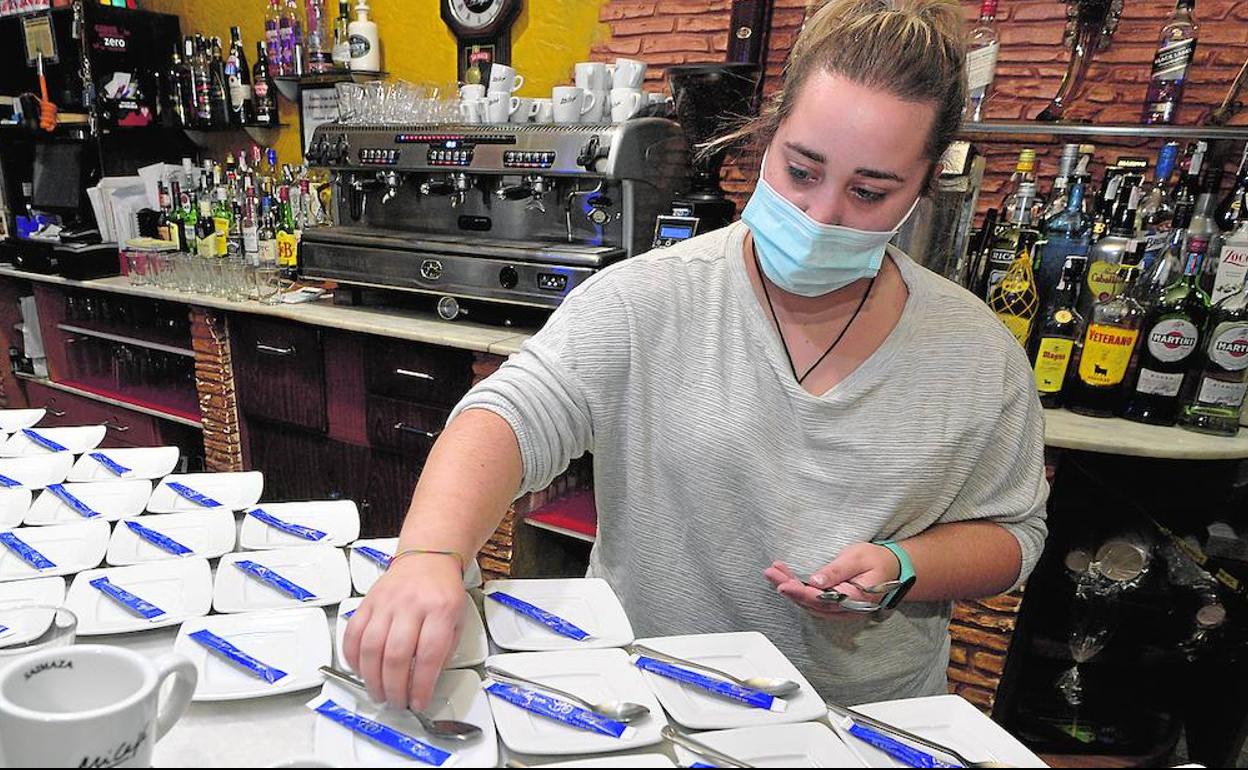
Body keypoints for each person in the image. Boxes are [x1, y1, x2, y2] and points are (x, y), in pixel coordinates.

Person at [345, 0, 1049, 712]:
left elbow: (1013, 534)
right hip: (646, 700)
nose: (820, 215)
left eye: (869, 192)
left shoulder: (976, 354)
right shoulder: (647, 299)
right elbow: (510, 413)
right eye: (801, 171)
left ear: (925, 184)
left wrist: (905, 567)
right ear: (766, 138)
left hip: (859, 724)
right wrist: (430, 557)